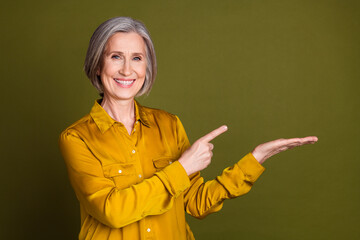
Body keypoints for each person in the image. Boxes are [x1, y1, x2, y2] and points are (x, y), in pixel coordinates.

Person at [59, 16, 318, 240]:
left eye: (137, 58)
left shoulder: (169, 125)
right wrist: (182, 168)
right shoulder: (77, 138)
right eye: (116, 57)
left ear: (146, 67)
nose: (127, 70)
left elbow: (196, 202)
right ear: (97, 64)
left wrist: (254, 160)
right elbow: (112, 211)